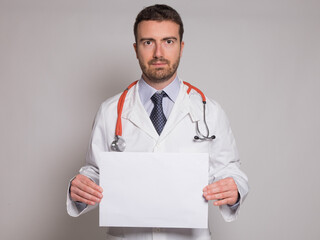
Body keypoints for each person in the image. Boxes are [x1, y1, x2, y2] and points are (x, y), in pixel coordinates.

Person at [67, 4, 249, 240]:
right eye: (148, 42)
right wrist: (80, 188)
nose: (159, 53)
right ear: (136, 48)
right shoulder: (110, 111)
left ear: (181, 47)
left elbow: (231, 170)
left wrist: (234, 188)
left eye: (169, 41)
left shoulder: (210, 111)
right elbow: (95, 172)